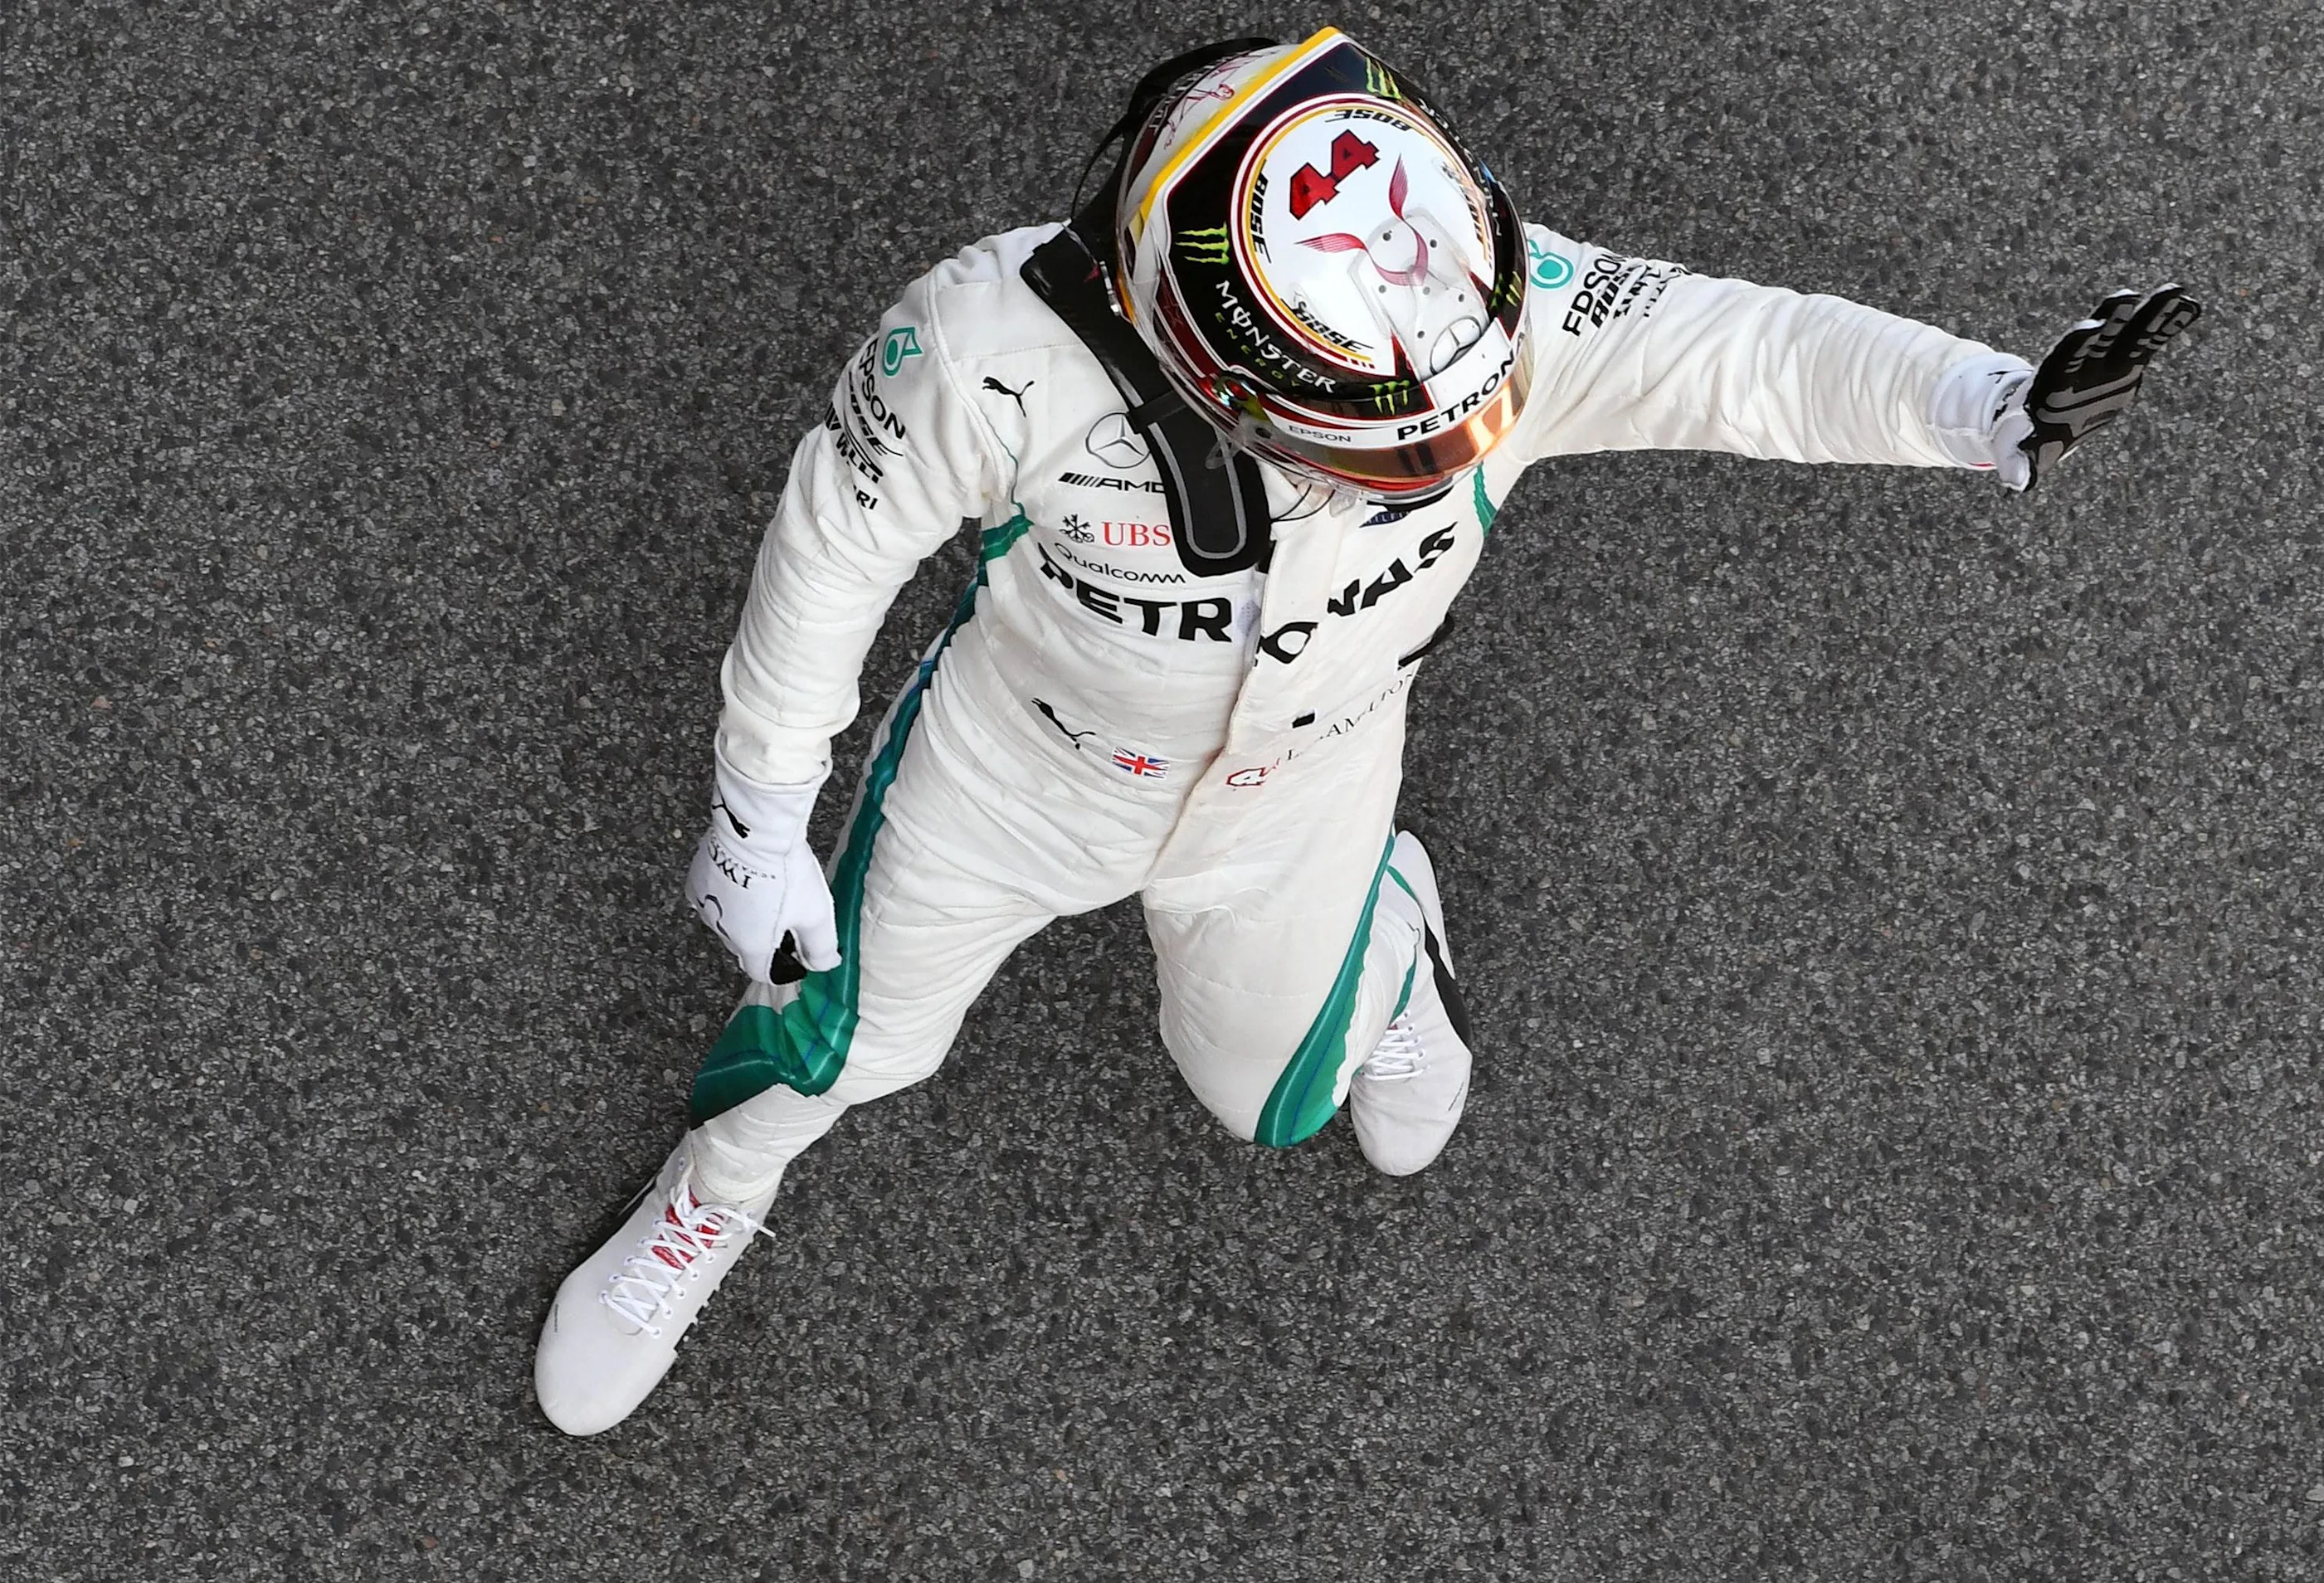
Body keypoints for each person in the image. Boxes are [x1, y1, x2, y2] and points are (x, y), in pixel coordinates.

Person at [532, 27, 2200, 1435]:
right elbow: (833, 551)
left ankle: (1387, 929)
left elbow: (1736, 351)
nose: (1443, 443)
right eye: (1362, 435)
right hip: (1011, 777)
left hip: (1301, 800)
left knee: (1265, 1102)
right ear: (1192, 341)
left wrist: (1986, 405)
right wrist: (758, 809)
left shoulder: (1485, 300)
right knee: (844, 1041)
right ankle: (712, 1200)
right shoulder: (985, 344)